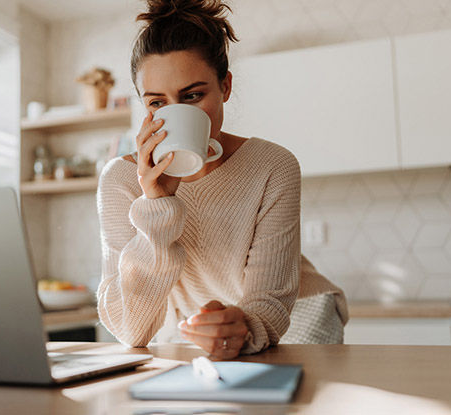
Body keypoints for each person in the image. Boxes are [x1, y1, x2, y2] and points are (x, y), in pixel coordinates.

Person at [97, 0, 347, 359]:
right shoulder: (121, 180)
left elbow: (268, 306)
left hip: (298, 314)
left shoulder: (273, 166)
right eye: (156, 103)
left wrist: (242, 326)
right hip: (201, 327)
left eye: (193, 96)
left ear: (225, 87)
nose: (173, 114)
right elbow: (130, 330)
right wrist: (156, 207)